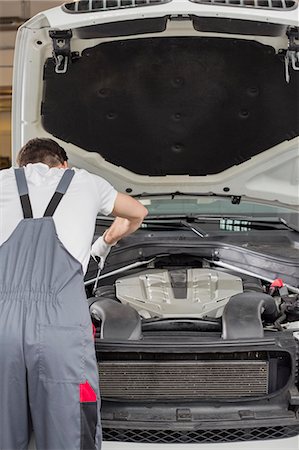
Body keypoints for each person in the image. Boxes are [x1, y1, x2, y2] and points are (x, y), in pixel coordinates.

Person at [0, 137, 148, 450]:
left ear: (19, 167)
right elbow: (138, 211)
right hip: (62, 327)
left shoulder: (1, 181)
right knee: (68, 430)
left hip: (2, 325)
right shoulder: (86, 182)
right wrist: (105, 241)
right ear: (64, 165)